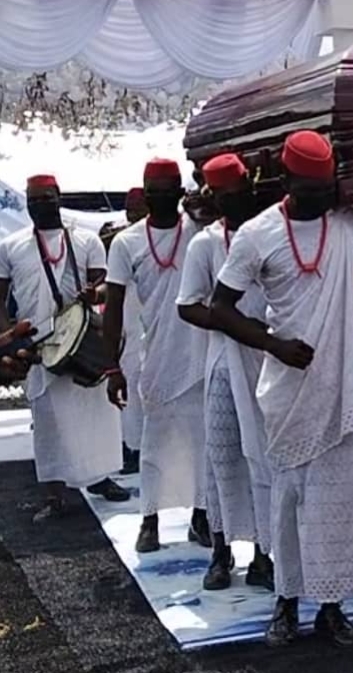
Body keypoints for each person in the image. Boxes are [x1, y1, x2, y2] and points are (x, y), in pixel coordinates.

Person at [212, 130, 353, 648]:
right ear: (287, 181)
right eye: (311, 189)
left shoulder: (347, 224)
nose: (321, 197)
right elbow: (220, 307)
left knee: (341, 500)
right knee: (288, 498)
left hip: (344, 380)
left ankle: (332, 607)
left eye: (327, 187)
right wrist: (272, 343)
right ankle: (285, 603)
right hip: (289, 388)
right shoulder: (257, 233)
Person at [0, 174, 128, 521]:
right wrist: (8, 334)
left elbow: (107, 285)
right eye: (33, 199)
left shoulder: (86, 240)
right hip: (38, 342)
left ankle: (99, 478)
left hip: (80, 338)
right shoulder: (11, 246)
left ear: (58, 197)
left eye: (46, 197)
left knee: (92, 412)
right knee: (48, 420)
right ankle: (55, 494)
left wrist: (94, 294)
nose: (39, 204)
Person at [176, 153, 274, 592]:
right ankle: (221, 551)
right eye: (224, 195)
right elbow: (188, 305)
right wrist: (234, 325)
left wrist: (261, 335)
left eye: (239, 192)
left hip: (270, 360)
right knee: (222, 457)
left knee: (265, 457)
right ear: (213, 198)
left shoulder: (270, 232)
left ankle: (265, 554)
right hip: (224, 362)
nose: (234, 200)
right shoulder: (206, 244)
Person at [104, 159, 210, 553]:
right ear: (144, 193)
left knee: (203, 443)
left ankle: (202, 515)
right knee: (155, 444)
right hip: (157, 357)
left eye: (169, 192)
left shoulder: (199, 231)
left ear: (180, 193)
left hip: (200, 354)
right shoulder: (126, 242)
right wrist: (112, 367)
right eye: (154, 192)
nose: (161, 198)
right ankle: (150, 519)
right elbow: (113, 307)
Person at [118, 187, 149, 475]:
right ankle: (132, 448)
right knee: (131, 388)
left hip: (155, 324)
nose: (134, 215)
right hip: (130, 323)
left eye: (138, 209)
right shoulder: (122, 241)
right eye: (130, 210)